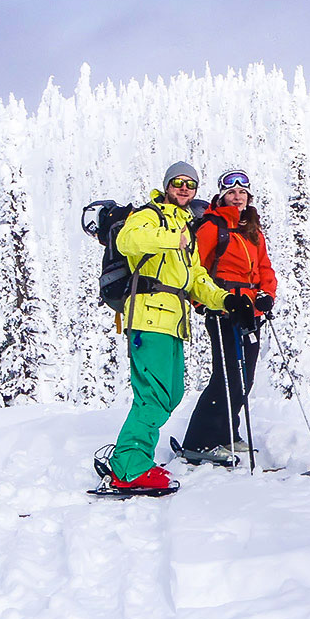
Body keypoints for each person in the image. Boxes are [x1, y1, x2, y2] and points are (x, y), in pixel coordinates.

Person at [107, 161, 256, 490]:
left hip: (173, 320)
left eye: (190, 184)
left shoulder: (186, 226)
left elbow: (198, 280)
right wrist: (173, 236)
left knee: (170, 394)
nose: (184, 188)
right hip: (148, 315)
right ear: (167, 185)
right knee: (154, 395)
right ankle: (129, 468)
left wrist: (227, 300)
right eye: (178, 182)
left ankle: (133, 460)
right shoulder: (150, 216)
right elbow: (129, 241)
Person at [181, 167, 278, 463]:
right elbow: (196, 267)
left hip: (250, 311)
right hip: (223, 309)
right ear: (222, 197)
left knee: (244, 378)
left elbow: (265, 269)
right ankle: (199, 441)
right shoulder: (212, 227)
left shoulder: (252, 231)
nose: (237, 197)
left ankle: (226, 433)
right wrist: (205, 304)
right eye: (232, 193)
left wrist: (266, 295)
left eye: (242, 193)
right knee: (227, 376)